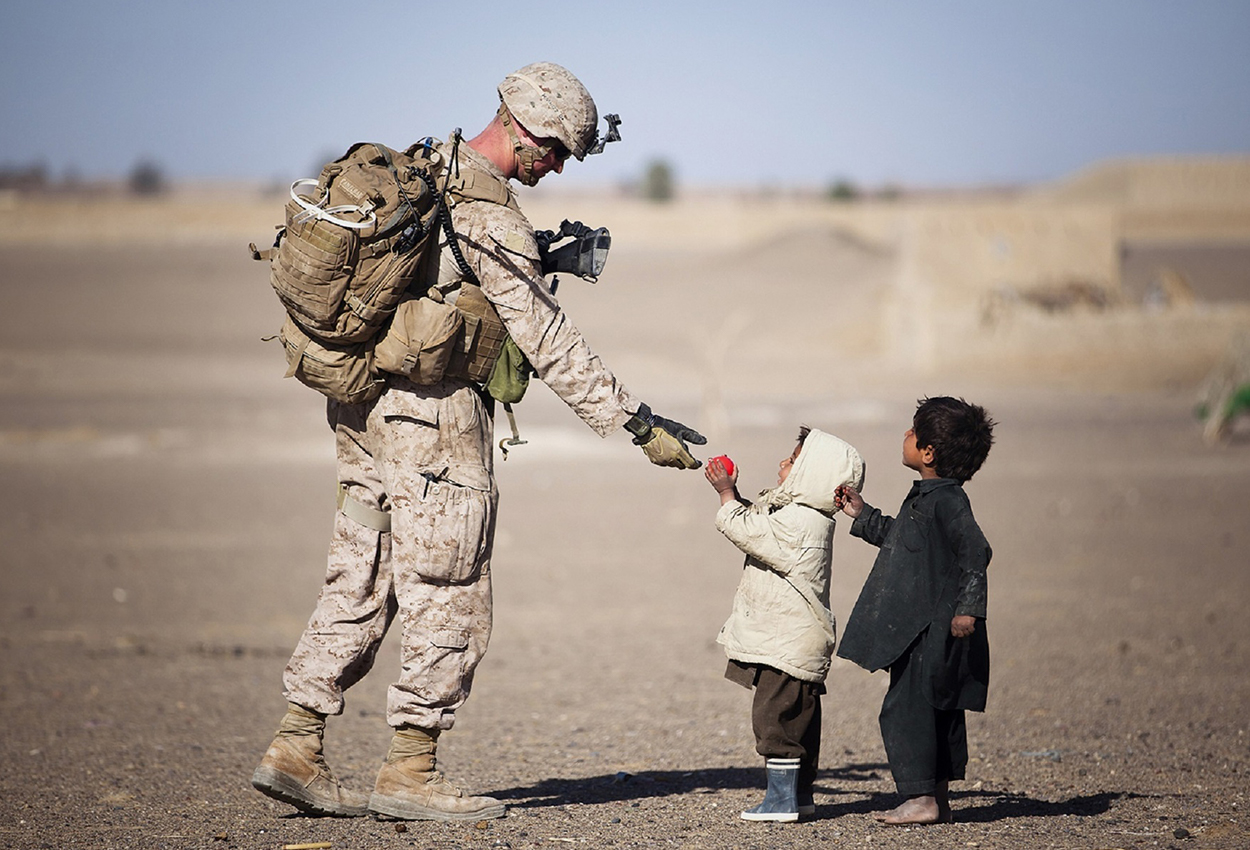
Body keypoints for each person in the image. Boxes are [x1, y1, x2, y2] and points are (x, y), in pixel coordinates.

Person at [250, 62, 706, 822]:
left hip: (363, 406)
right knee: (449, 587)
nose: (556, 168)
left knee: (361, 570)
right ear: (523, 128)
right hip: (432, 420)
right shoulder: (489, 212)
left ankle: (296, 745)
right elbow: (548, 338)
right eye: (556, 151)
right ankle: (410, 771)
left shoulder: (429, 167)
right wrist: (635, 421)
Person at [834, 396, 995, 825]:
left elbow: (975, 551)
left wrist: (969, 609)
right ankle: (936, 798)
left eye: (912, 431)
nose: (905, 435)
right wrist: (862, 514)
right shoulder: (926, 496)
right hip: (920, 627)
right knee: (934, 706)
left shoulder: (948, 502)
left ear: (928, 453)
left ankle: (921, 799)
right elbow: (903, 540)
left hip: (934, 629)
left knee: (908, 708)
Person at [704, 427, 865, 822]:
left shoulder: (801, 523)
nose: (782, 463)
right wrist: (736, 495)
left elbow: (748, 530)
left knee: (774, 718)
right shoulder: (801, 516)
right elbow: (760, 522)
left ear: (813, 474)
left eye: (792, 460)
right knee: (800, 721)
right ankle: (801, 796)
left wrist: (726, 495)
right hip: (794, 639)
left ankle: (780, 801)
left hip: (788, 642)